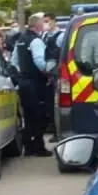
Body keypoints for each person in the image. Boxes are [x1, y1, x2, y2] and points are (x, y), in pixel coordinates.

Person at [11, 14, 52, 157]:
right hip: (36, 83)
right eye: (42, 23)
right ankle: (39, 147)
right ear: (37, 26)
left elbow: (14, 61)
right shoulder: (36, 41)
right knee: (40, 114)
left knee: (28, 116)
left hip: (24, 82)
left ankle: (28, 146)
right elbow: (40, 62)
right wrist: (50, 73)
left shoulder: (21, 40)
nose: (44, 25)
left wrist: (20, 75)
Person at [42, 13, 65, 142]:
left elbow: (62, 55)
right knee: (50, 104)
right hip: (47, 73)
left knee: (57, 103)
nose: (45, 23)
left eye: (47, 21)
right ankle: (53, 129)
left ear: (53, 21)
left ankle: (59, 132)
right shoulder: (45, 36)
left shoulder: (60, 36)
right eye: (44, 21)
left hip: (56, 73)